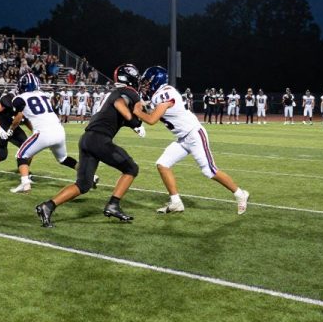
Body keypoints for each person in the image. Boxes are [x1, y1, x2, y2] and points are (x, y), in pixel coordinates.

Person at [35, 64, 145, 228]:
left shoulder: (115, 92)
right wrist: (133, 121)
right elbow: (119, 103)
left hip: (87, 139)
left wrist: (133, 124)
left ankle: (47, 206)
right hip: (99, 140)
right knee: (131, 169)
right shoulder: (126, 92)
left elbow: (115, 114)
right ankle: (113, 205)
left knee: (83, 185)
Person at [137, 66, 249, 215]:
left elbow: (152, 119)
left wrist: (136, 111)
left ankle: (240, 194)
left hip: (194, 134)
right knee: (162, 164)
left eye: (147, 82)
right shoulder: (160, 94)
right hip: (183, 138)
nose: (145, 85)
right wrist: (141, 105)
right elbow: (152, 109)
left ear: (156, 80)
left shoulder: (165, 93)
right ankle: (176, 202)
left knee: (209, 170)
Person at [6, 72, 78, 194]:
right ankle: (89, 176)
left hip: (44, 133)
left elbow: (18, 115)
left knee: (21, 155)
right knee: (63, 158)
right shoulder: (44, 95)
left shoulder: (19, 99)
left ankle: (25, 184)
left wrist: (10, 128)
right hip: (59, 130)